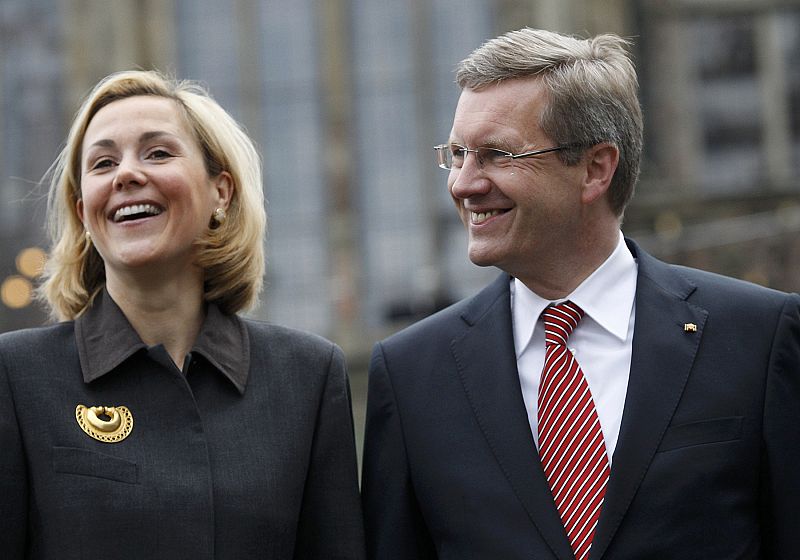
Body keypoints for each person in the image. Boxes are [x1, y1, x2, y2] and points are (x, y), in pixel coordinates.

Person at [361, 28, 800, 559]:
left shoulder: (756, 337)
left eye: (497, 155)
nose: (463, 183)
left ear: (595, 168)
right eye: (457, 154)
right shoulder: (412, 375)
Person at [0, 70, 365, 559]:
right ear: (84, 212)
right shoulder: (16, 376)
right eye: (103, 162)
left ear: (221, 192)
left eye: (157, 152)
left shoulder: (308, 377)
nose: (127, 174)